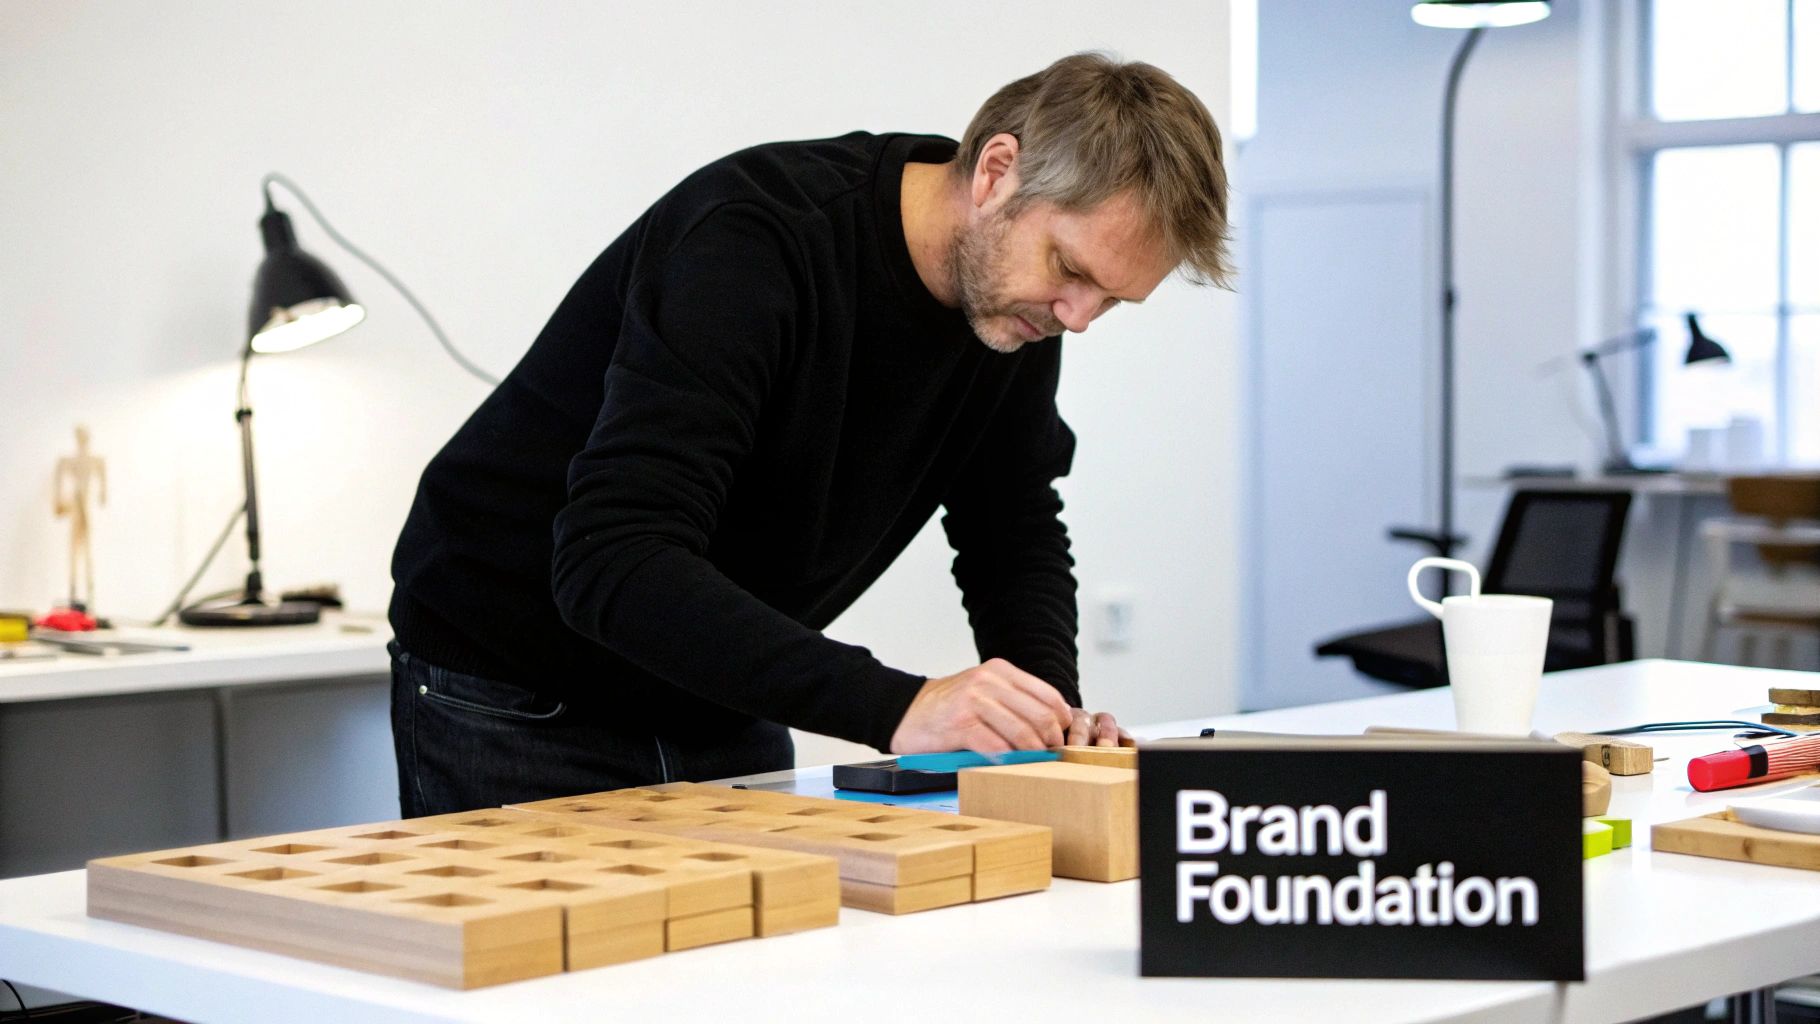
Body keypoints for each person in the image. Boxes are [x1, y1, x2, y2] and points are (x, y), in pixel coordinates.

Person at [387, 51, 1233, 816]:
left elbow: (1010, 522)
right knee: (542, 985)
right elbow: (615, 556)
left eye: (1112, 300)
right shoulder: (754, 241)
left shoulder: (1013, 311)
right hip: (514, 679)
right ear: (997, 172)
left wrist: (1042, 714)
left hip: (713, 682)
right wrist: (899, 705)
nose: (1079, 318)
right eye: (1072, 270)